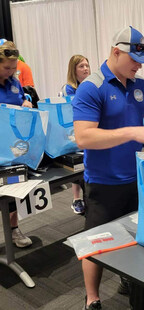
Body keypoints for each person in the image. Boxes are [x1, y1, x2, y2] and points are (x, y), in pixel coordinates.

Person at [72, 26, 144, 310]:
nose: (138, 66)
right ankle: (92, 298)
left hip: (136, 178)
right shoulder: (91, 87)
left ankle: (128, 280)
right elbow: (84, 136)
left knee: (135, 238)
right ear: (115, 52)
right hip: (103, 182)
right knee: (94, 243)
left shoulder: (141, 86)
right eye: (134, 60)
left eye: (142, 61)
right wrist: (132, 132)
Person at [0, 40, 33, 248]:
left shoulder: (14, 81)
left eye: (14, 68)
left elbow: (22, 99)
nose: (11, 71)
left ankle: (13, 229)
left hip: (13, 144)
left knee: (14, 188)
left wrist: (25, 102)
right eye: (6, 67)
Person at [62, 54, 91, 215]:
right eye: (81, 66)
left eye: (86, 65)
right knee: (78, 166)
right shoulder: (69, 88)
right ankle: (76, 198)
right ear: (74, 70)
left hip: (88, 129)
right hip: (73, 132)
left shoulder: (92, 85)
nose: (85, 68)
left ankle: (85, 197)